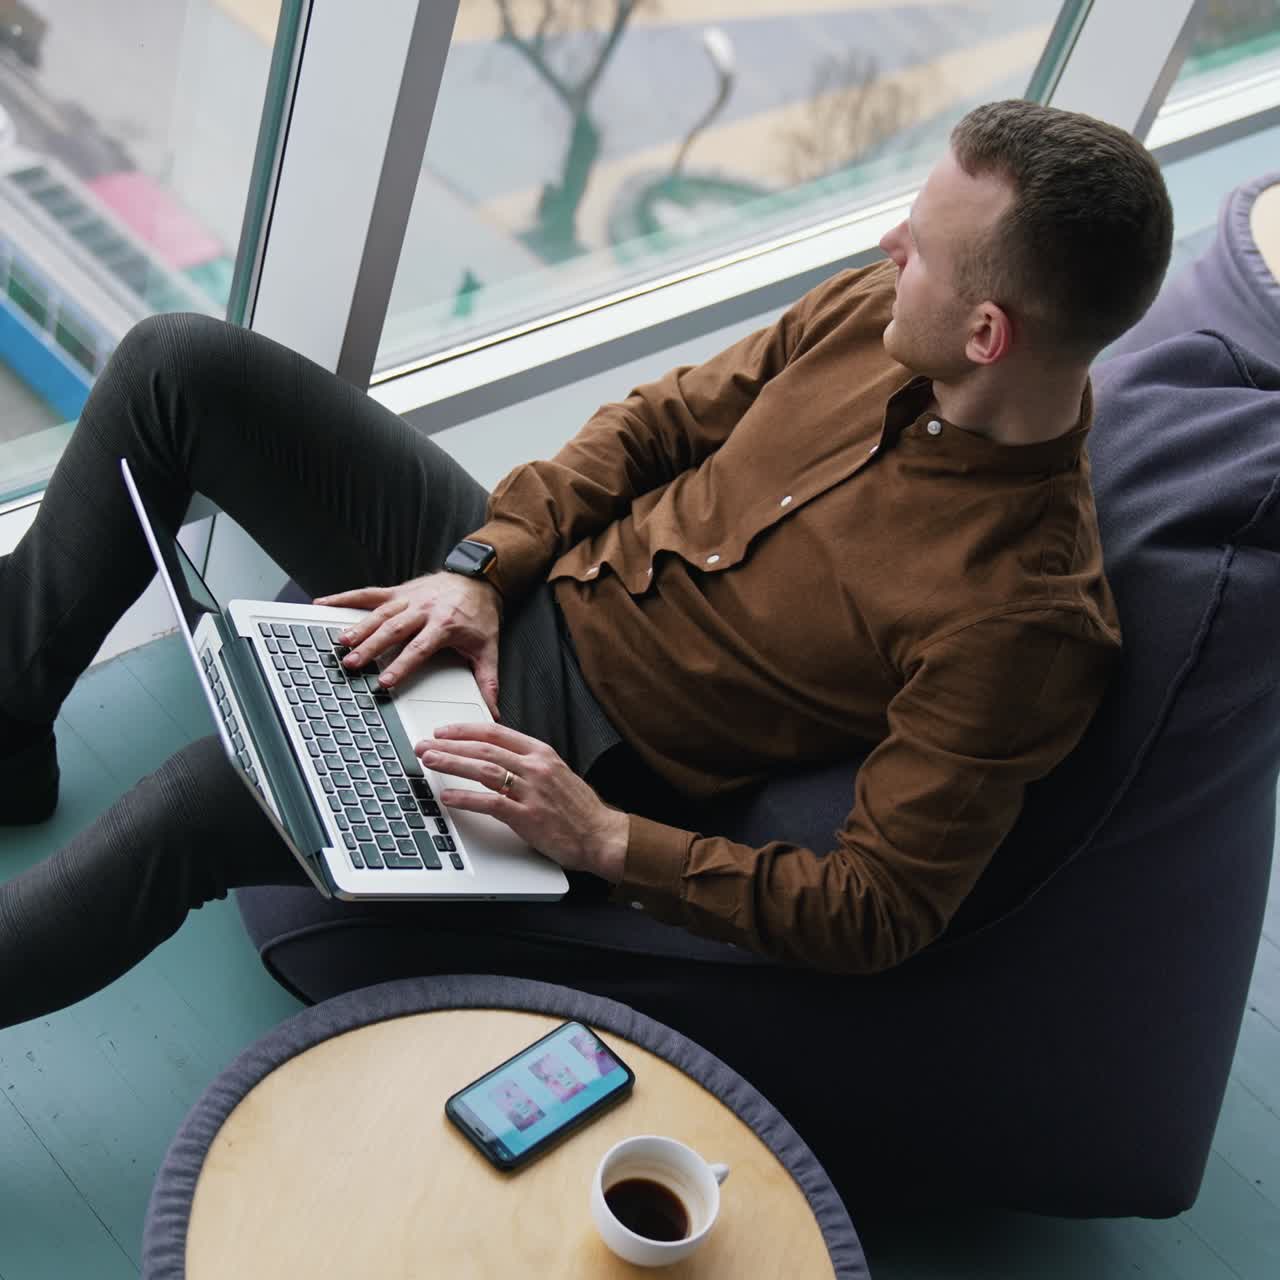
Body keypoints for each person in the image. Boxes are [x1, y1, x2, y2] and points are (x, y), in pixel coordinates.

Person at [0, 100, 1172, 1030]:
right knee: (178, 366)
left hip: (576, 748)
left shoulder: (1021, 621)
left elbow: (879, 909)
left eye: (919, 248)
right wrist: (477, 564)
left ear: (987, 336)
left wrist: (602, 837)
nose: (886, 245)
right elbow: (655, 423)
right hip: (532, 577)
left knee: (202, 798)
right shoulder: (876, 310)